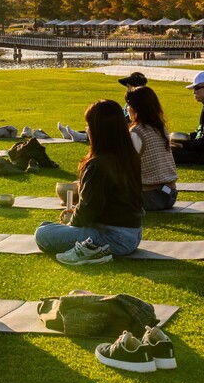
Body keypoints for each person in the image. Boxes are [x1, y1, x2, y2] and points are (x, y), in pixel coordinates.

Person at [35, 99, 144, 264]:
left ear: (99, 130)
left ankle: (92, 250)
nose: (86, 130)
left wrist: (72, 224)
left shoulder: (98, 164)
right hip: (133, 234)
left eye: (88, 125)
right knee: (45, 225)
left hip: (113, 237)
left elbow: (89, 207)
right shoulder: (129, 156)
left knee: (42, 234)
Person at [125, 86, 178, 211]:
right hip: (170, 194)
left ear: (134, 108)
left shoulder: (137, 132)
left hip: (150, 197)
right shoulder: (160, 128)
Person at [58, 71, 149, 142]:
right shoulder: (130, 102)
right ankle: (74, 134)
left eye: (130, 86)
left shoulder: (140, 102)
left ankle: (82, 136)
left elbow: (128, 121)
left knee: (105, 128)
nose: (128, 89)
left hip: (126, 129)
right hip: (124, 126)